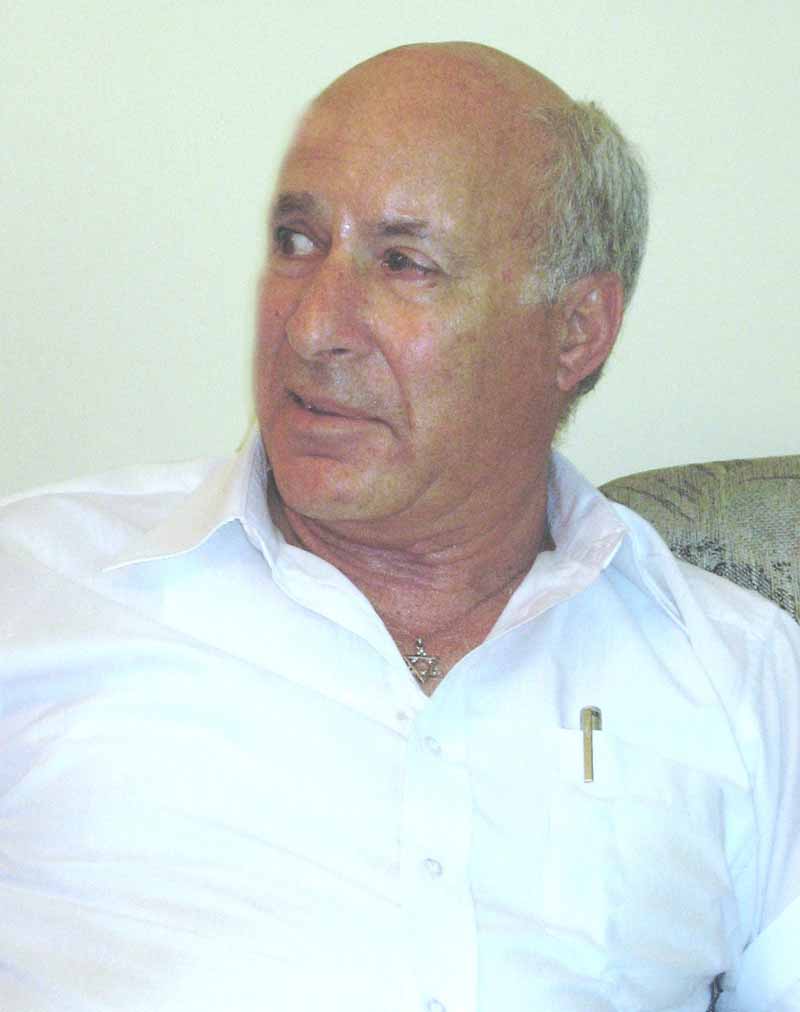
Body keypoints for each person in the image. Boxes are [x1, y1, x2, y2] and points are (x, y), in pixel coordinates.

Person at [0, 41, 798, 1012]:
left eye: (403, 263)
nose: (311, 328)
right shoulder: (36, 591)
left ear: (576, 329)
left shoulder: (740, 682)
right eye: (297, 241)